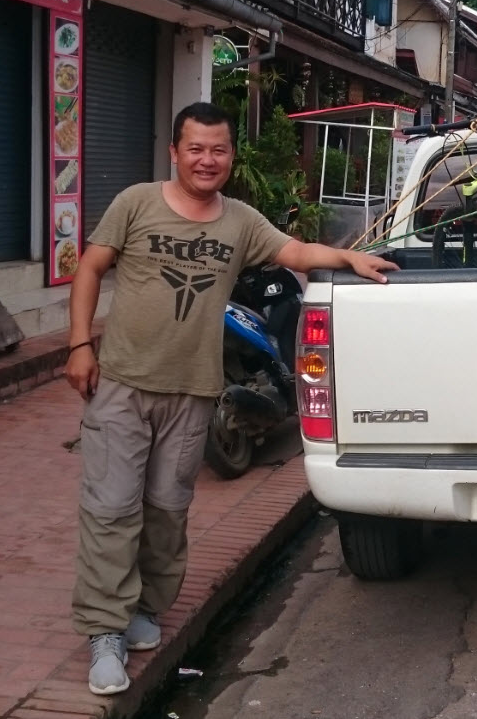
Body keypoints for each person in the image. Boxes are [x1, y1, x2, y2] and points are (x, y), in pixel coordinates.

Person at [63, 101, 398, 696]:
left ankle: (146, 608)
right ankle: (104, 631)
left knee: (167, 509)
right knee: (112, 509)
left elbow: (292, 252)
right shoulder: (136, 203)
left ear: (230, 157)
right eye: (195, 148)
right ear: (174, 151)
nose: (207, 160)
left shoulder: (239, 221)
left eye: (218, 150)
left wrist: (346, 256)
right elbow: (89, 268)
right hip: (122, 384)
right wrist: (79, 345)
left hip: (194, 392)